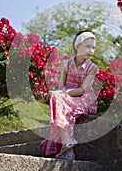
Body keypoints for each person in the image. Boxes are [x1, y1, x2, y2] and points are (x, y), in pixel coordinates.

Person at [40, 31, 99, 160]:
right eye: (88, 46)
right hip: (67, 98)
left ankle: (67, 140)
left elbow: (82, 90)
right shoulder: (66, 64)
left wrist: (62, 94)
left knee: (61, 100)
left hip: (83, 99)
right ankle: (68, 150)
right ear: (78, 46)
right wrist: (53, 95)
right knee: (60, 101)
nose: (91, 50)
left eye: (93, 47)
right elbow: (61, 86)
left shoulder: (92, 68)